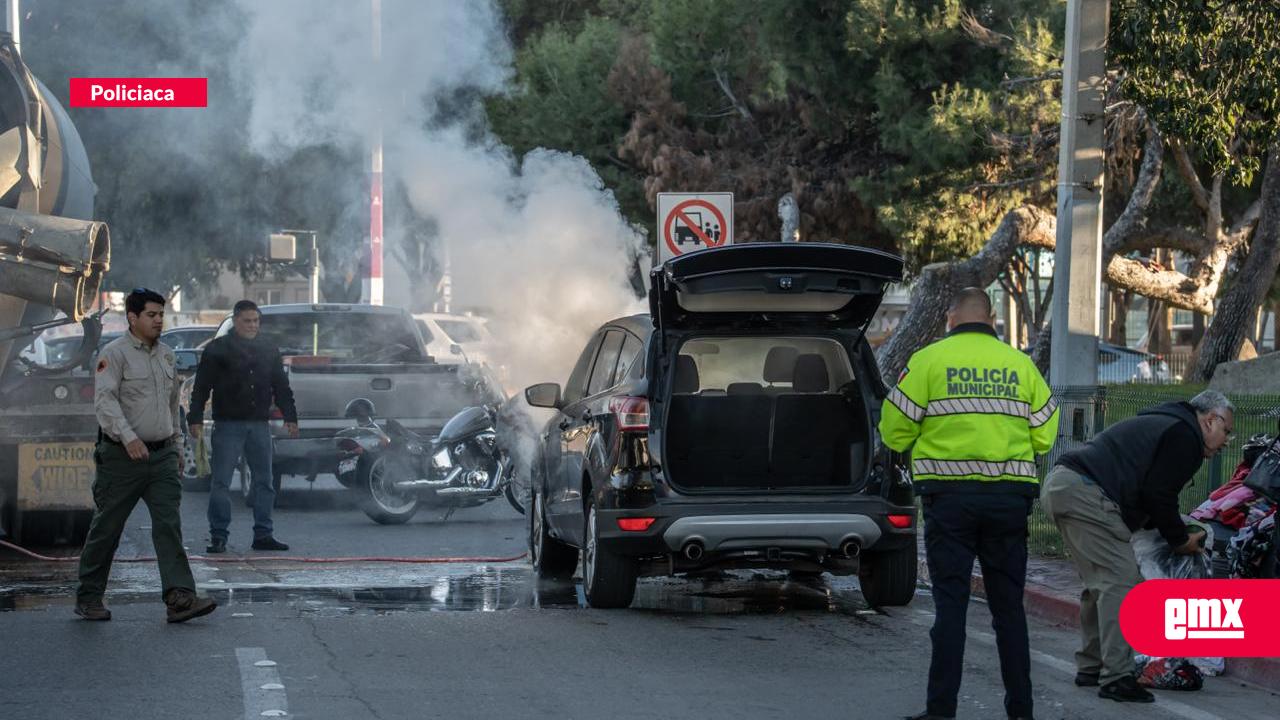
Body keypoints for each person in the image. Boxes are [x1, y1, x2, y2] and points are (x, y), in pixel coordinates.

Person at [880, 288, 1058, 720]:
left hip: (950, 502)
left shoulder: (927, 362)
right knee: (1008, 611)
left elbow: (893, 431)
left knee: (951, 607)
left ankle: (941, 710)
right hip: (1008, 502)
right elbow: (1045, 434)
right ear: (992, 317)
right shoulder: (1021, 365)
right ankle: (1021, 710)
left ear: (949, 317)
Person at [1042, 389, 1231, 703]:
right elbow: (1158, 495)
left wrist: (1170, 530)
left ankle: (1092, 666)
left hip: (1063, 485)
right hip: (1087, 494)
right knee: (1121, 582)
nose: (1226, 441)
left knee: (1098, 584)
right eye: (1226, 431)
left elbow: (1145, 494)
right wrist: (1181, 540)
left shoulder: (1166, 421)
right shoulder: (1186, 436)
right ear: (1210, 420)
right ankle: (1117, 677)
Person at [75, 288, 217, 623]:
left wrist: (178, 447)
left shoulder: (166, 356)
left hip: (162, 457)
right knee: (107, 528)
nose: (158, 320)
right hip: (122, 459)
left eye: (160, 314)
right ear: (132, 318)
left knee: (168, 525)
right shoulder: (114, 354)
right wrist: (128, 438)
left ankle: (180, 598)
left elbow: (172, 407)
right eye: (151, 315)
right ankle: (89, 596)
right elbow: (105, 403)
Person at [188, 300, 298, 553]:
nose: (252, 325)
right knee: (222, 482)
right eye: (247, 321)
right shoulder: (217, 349)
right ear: (235, 321)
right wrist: (194, 418)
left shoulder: (268, 349)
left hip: (259, 424)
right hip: (228, 424)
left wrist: (290, 417)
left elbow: (281, 386)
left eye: (256, 321)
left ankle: (263, 534)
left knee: (265, 482)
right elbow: (201, 387)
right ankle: (218, 536)